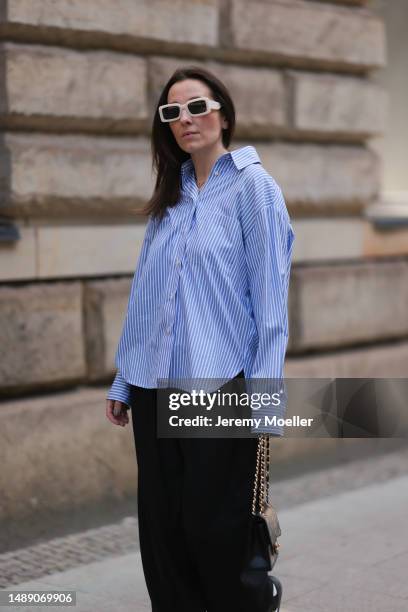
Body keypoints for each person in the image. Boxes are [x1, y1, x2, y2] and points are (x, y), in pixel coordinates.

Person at [105, 65, 295, 612]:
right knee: (163, 536)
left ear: (223, 114)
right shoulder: (172, 193)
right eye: (172, 112)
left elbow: (271, 304)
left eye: (196, 106)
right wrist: (124, 380)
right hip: (152, 388)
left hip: (217, 388)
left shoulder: (253, 188)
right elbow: (146, 292)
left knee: (217, 532)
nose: (185, 119)